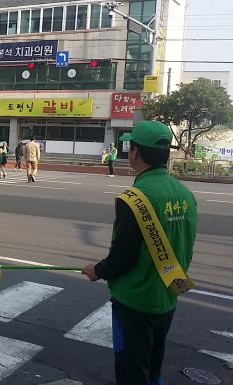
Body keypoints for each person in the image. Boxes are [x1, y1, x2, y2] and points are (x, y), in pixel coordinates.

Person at [81, 120, 197, 385]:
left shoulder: (135, 197)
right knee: (153, 367)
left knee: (132, 369)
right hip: (168, 294)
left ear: (134, 152)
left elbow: (123, 257)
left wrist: (97, 270)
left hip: (134, 300)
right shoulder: (185, 193)